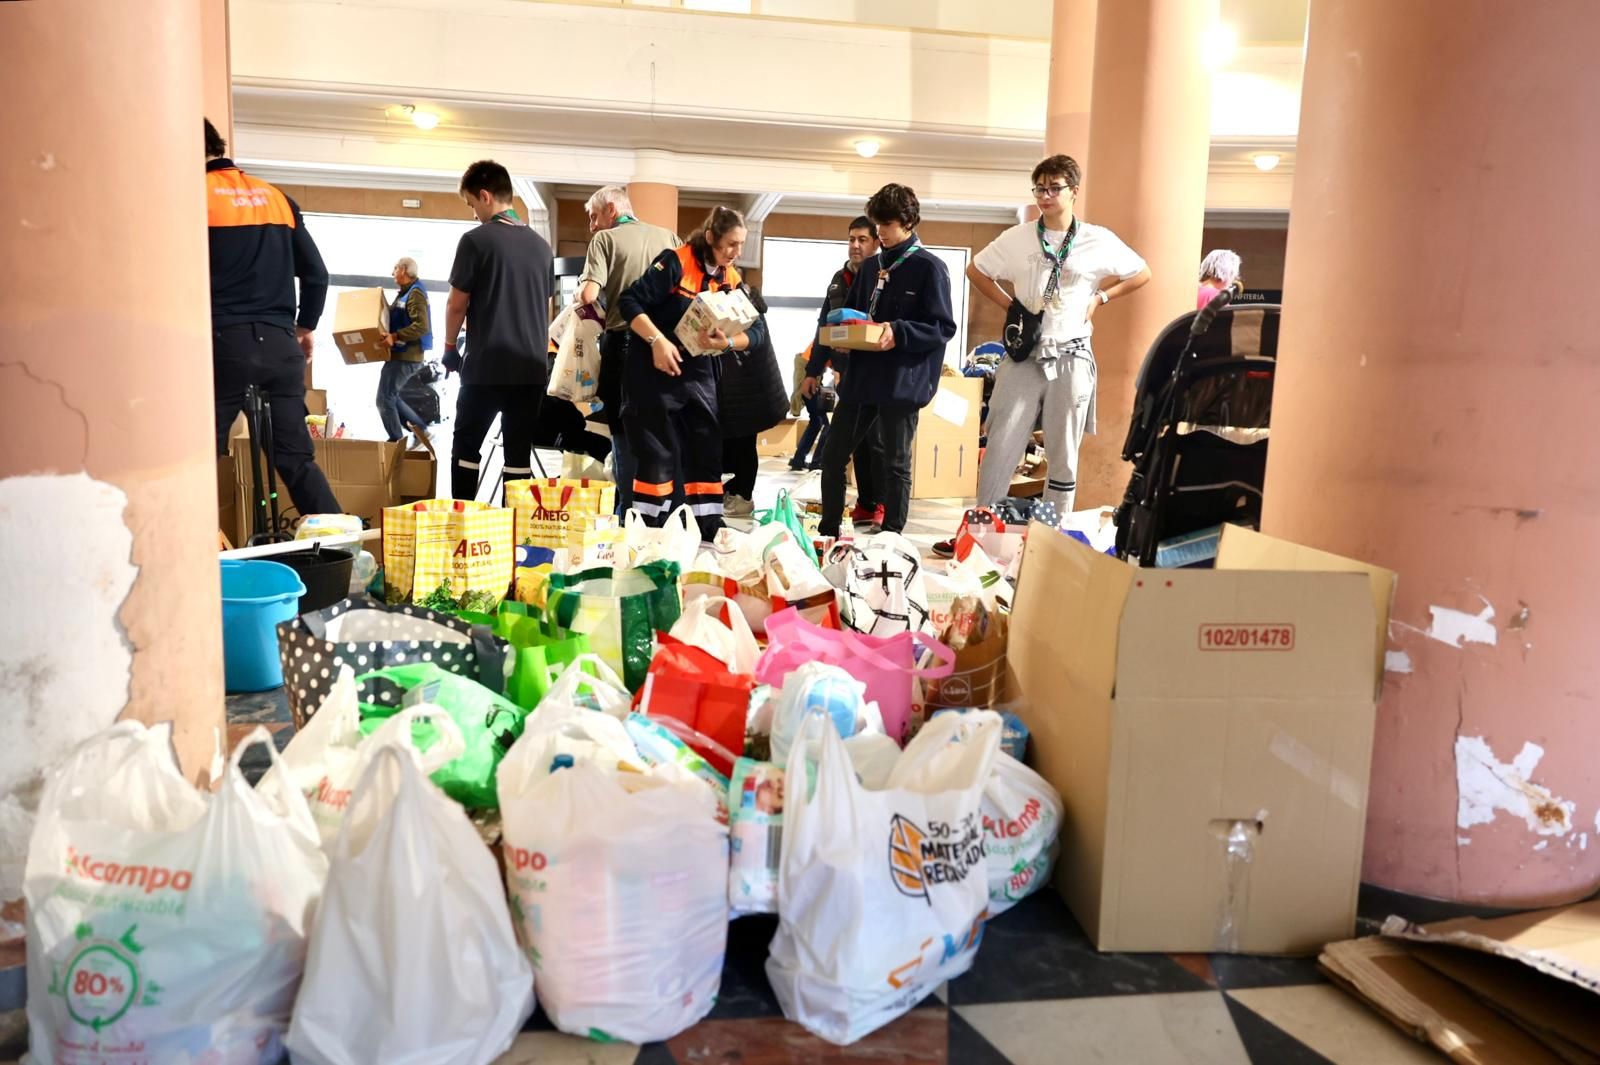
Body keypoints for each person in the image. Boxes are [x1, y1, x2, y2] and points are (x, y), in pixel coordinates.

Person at [952, 154, 1150, 554]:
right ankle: (977, 532)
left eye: (1054, 187)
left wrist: (1101, 297)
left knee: (1063, 452)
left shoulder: (1097, 238)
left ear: (1073, 191)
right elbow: (976, 270)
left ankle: (1051, 540)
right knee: (1002, 442)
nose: (1045, 195)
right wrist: (1010, 304)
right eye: (1039, 188)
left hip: (1073, 355)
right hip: (1023, 357)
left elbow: (1141, 273)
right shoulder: (1019, 237)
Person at [203, 118, 341, 519]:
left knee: (196, 459)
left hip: (222, 344)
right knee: (297, 461)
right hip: (281, 348)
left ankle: (183, 557)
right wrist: (303, 327)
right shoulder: (276, 198)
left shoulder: (192, 196)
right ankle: (346, 554)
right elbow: (316, 274)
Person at [805, 185, 956, 539]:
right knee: (833, 455)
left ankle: (891, 538)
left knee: (895, 464)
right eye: (878, 225)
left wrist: (898, 331)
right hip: (860, 378)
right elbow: (856, 313)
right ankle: (829, 534)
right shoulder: (872, 266)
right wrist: (843, 330)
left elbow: (941, 327)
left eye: (885, 225)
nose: (880, 233)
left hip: (900, 382)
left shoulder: (930, 268)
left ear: (908, 221)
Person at [618, 206, 767, 542]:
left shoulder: (729, 277)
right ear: (711, 237)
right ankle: (646, 531)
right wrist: (657, 341)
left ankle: (708, 527)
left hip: (700, 376)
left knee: (706, 452)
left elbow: (756, 331)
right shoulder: (675, 262)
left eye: (740, 245)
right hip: (653, 374)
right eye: (730, 244)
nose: (736, 252)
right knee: (658, 457)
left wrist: (728, 341)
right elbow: (629, 303)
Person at [443, 160, 553, 500]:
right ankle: (511, 536)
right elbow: (544, 306)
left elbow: (457, 304)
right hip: (532, 370)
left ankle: (463, 527)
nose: (473, 213)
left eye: (472, 204)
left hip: (485, 367)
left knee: (466, 450)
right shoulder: (542, 247)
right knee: (518, 459)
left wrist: (449, 347)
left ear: (486, 196)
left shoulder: (476, 241)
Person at [576, 185, 681, 514]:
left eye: (594, 217)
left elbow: (589, 296)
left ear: (610, 208)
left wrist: (582, 288)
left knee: (623, 432)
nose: (592, 226)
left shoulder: (605, 240)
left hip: (624, 346)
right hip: (666, 347)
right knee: (661, 431)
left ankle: (628, 513)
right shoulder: (670, 238)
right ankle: (659, 510)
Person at [813, 217, 887, 529]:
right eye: (851, 239)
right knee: (851, 446)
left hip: (881, 376)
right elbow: (823, 325)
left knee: (878, 444)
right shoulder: (839, 279)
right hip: (848, 375)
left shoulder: (884, 276)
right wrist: (813, 370)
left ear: (876, 242)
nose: (855, 245)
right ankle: (859, 507)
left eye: (862, 239)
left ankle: (877, 503)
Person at [717, 284, 789, 516]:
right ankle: (734, 493)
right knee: (736, 445)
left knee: (743, 445)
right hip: (745, 390)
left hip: (748, 391)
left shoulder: (738, 299)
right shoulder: (740, 295)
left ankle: (742, 497)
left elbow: (755, 338)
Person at [375, 256, 431, 442]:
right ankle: (422, 431)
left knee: (384, 399)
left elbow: (422, 326)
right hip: (401, 354)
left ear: (405, 270)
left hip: (408, 355)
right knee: (391, 397)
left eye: (395, 268)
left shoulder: (415, 294)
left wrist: (395, 336)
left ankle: (396, 441)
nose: (392, 273)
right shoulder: (406, 292)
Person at [789, 346, 830, 471]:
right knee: (827, 422)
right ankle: (817, 461)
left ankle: (798, 459)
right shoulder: (830, 339)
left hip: (807, 374)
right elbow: (836, 372)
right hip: (808, 377)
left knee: (816, 422)